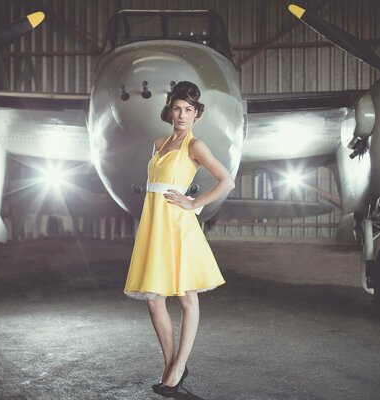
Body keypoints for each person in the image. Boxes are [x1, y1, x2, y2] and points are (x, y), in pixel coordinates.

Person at [123, 81, 235, 395]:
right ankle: (173, 367)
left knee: (186, 298)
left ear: (197, 114)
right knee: (155, 300)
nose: (182, 115)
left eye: (189, 110)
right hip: (155, 224)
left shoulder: (196, 146)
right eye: (177, 108)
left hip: (178, 226)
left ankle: (174, 373)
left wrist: (195, 203)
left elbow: (227, 181)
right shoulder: (158, 143)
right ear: (169, 110)